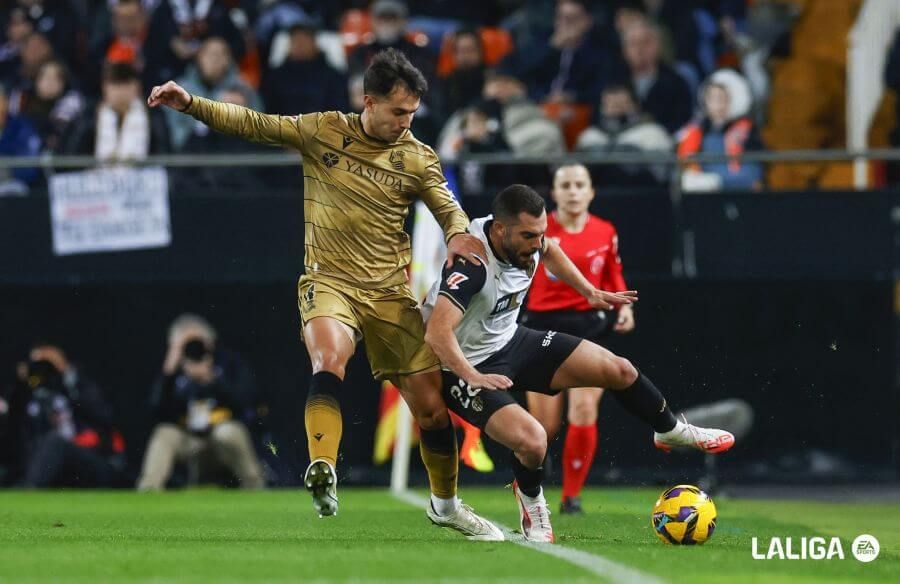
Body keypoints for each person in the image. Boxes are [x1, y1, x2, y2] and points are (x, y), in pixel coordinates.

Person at [147, 48, 503, 540]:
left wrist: (460, 237)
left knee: (431, 410)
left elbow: (449, 212)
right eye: (399, 111)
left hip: (389, 294)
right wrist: (190, 103)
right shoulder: (323, 130)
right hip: (328, 281)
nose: (406, 121)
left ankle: (445, 505)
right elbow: (254, 123)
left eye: (413, 113)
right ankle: (323, 469)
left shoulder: (418, 156)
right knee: (328, 358)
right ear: (369, 101)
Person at [422, 184, 735, 542]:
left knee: (619, 369)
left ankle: (668, 428)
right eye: (528, 235)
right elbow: (436, 332)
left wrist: (588, 290)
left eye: (540, 233)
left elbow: (551, 250)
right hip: (465, 364)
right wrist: (471, 374)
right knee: (534, 440)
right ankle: (531, 499)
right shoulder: (473, 264)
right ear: (499, 230)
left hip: (511, 340)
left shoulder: (531, 240)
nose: (536, 243)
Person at [521, 163, 633, 515]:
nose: (572, 191)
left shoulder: (605, 230)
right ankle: (527, 486)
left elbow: (613, 270)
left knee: (584, 409)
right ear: (553, 193)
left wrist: (624, 307)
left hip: (589, 327)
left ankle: (571, 497)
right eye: (565, 184)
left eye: (579, 184)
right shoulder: (538, 230)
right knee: (544, 427)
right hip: (542, 328)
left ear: (591, 192)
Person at [137, 314, 265, 490]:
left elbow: (246, 402)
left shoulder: (228, 364)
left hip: (219, 433)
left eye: (198, 342)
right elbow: (156, 409)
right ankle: (148, 489)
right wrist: (168, 371)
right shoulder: (173, 372)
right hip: (188, 437)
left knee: (228, 432)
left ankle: (255, 486)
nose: (194, 349)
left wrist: (212, 380)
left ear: (210, 342)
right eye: (186, 345)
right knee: (164, 433)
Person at [2, 342, 127, 488]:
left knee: (55, 441)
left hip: (89, 458)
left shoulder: (78, 386)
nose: (43, 368)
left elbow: (105, 417)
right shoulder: (31, 397)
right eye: (37, 363)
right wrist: (23, 383)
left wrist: (66, 373)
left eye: (46, 363)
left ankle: (28, 490)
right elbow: (14, 429)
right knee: (50, 444)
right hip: (48, 467)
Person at [63, 62, 169, 161]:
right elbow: (74, 154)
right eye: (115, 86)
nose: (120, 92)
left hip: (145, 178)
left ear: (137, 88)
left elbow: (165, 154)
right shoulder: (89, 114)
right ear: (105, 88)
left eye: (126, 85)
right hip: (95, 177)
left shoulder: (153, 115)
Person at [678, 69, 763, 192]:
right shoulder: (697, 130)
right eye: (713, 98)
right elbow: (686, 160)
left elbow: (753, 172)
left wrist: (719, 181)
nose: (718, 104)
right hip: (705, 189)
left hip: (736, 186)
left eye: (722, 98)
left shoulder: (747, 129)